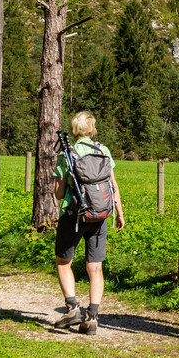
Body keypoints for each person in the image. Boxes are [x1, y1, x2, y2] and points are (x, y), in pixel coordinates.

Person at [52, 111, 125, 335]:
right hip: (100, 215)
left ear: (74, 130)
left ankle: (72, 307)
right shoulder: (103, 151)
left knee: (63, 261)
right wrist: (119, 213)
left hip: (73, 215)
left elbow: (59, 193)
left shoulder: (67, 154)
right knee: (95, 267)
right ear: (92, 130)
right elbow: (113, 186)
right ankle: (92, 318)